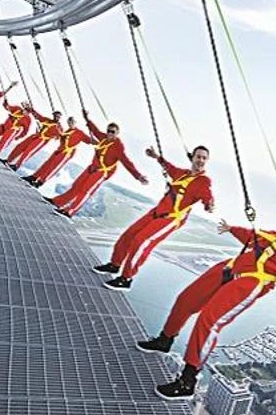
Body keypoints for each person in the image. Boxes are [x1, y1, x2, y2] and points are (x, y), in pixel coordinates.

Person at [136, 208, 276, 400]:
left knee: (210, 320)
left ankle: (187, 381)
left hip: (252, 282)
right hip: (230, 268)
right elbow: (254, 236)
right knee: (186, 300)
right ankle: (165, 339)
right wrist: (232, 229)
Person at [94, 146, 214, 291]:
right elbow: (169, 167)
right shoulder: (182, 174)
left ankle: (126, 279)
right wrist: (156, 156)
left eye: (203, 158)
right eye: (198, 156)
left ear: (206, 160)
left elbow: (207, 197)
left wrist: (209, 205)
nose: (200, 160)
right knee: (129, 235)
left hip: (171, 219)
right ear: (192, 157)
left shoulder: (203, 181)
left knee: (141, 241)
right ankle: (115, 265)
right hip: (157, 212)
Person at [46, 110, 148, 217]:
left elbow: (127, 162)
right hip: (92, 167)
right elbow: (95, 130)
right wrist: (87, 119)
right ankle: (58, 202)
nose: (109, 133)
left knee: (85, 190)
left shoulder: (118, 147)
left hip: (102, 172)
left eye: (112, 132)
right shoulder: (103, 138)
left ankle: (70, 211)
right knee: (77, 185)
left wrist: (138, 176)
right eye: (109, 131)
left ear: (117, 133)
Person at [23, 116, 91, 187]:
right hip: (59, 150)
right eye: (69, 122)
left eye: (72, 122)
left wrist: (94, 137)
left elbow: (89, 141)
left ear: (75, 123)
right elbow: (60, 137)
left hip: (66, 153)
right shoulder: (67, 131)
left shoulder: (80, 133)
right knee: (47, 164)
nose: (70, 123)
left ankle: (40, 182)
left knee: (53, 168)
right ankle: (34, 177)